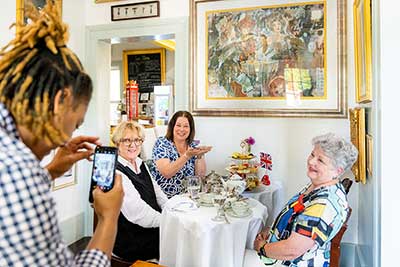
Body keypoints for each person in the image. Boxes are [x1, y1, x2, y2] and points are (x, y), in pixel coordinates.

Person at [0, 2, 123, 266]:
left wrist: (52, 170)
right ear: (60, 101)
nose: (65, 139)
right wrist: (108, 219)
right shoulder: (17, 170)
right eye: (75, 124)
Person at [250, 133, 358, 267]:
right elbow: (293, 218)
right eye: (313, 155)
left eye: (321, 160)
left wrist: (262, 248)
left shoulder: (323, 206)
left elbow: (292, 250)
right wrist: (270, 230)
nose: (311, 161)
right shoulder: (318, 185)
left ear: (337, 171)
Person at [111, 121, 168, 263]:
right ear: (118, 143)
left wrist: (172, 210)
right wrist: (169, 222)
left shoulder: (139, 162)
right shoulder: (116, 171)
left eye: (137, 140)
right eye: (127, 140)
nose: (133, 145)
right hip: (132, 239)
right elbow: (138, 214)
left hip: (151, 229)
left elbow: (158, 194)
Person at [150, 111, 212, 198]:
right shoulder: (162, 143)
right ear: (172, 127)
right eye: (178, 125)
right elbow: (166, 172)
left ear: (190, 129)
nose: (182, 129)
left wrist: (200, 155)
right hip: (166, 199)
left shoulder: (193, 146)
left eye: (186, 126)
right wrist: (186, 156)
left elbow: (200, 176)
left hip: (189, 198)